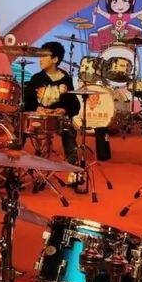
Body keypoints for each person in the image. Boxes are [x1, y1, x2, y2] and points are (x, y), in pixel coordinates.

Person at [23, 41, 80, 180]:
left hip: (58, 119)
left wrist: (64, 109)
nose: (40, 59)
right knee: (22, 126)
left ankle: (73, 166)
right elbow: (27, 101)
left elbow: (74, 104)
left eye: (44, 56)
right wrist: (36, 107)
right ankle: (14, 161)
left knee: (69, 128)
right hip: (40, 119)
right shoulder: (37, 78)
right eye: (40, 56)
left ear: (55, 59)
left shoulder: (66, 79)